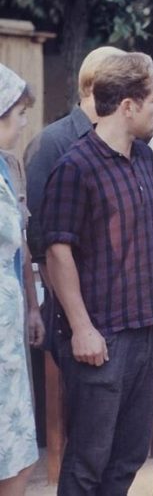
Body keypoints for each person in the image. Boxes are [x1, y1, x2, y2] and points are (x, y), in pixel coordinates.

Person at [41, 52, 153, 495]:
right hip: (102, 338)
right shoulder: (74, 167)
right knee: (88, 461)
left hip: (146, 328)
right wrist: (82, 329)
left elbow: (150, 234)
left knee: (130, 455)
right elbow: (57, 252)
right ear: (128, 106)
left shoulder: (145, 158)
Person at [25, 46, 125, 353]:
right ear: (95, 87)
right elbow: (40, 238)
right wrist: (68, 313)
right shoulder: (52, 143)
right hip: (71, 310)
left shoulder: (125, 141)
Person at [0, 62, 38, 496]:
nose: (24, 122)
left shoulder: (7, 167)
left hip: (7, 329)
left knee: (17, 455)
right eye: (19, 113)